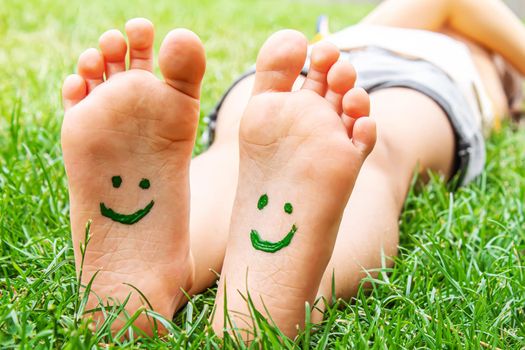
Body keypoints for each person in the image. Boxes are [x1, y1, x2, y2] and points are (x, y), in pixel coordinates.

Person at [60, 0, 524, 340]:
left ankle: (157, 279)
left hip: (304, 76)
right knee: (376, 160)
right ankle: (288, 296)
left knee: (234, 162)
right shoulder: (489, 44)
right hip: (422, 80)